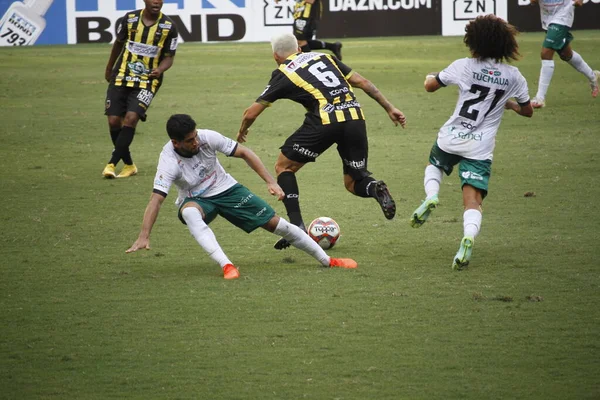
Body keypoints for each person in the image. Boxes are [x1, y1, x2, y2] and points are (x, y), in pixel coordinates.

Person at [126, 114, 358, 279]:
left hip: (227, 189)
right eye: (189, 141)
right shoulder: (168, 162)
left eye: (195, 136)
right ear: (175, 143)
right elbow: (156, 198)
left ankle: (328, 261)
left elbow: (245, 152)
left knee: (279, 226)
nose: (196, 142)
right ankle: (227, 266)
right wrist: (144, 235)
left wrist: (270, 182)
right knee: (189, 213)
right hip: (197, 198)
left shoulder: (207, 137)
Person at [237, 33, 406, 250]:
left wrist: (242, 131)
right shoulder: (325, 57)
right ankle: (375, 188)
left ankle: (296, 226)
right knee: (354, 182)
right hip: (355, 118)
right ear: (299, 48)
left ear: (275, 56)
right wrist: (390, 108)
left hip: (325, 121)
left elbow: (250, 113)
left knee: (284, 166)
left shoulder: (283, 72)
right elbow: (363, 83)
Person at [409, 15, 533, 270]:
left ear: (473, 41)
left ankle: (432, 196)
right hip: (480, 146)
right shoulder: (513, 76)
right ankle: (467, 237)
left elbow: (431, 86)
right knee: (473, 199)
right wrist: (507, 104)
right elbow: (527, 111)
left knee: (435, 166)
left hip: (451, 137)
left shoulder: (463, 66)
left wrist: (429, 77)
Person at [102, 0, 178, 179]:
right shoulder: (129, 19)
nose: (157, 2)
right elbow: (118, 44)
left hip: (147, 81)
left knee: (131, 118)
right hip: (121, 76)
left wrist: (159, 69)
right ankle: (128, 164)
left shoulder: (169, 26)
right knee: (114, 121)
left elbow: (169, 57)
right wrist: (109, 68)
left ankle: (111, 163)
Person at [529, 0, 599, 108]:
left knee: (546, 53)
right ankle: (592, 75)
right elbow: (532, 1)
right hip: (548, 17)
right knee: (566, 54)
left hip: (563, 16)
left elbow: (579, 2)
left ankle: (540, 98)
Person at [276, 0, 343, 60]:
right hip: (300, 16)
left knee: (300, 42)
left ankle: (309, 63)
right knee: (301, 42)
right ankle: (333, 46)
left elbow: (311, 1)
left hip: (308, 18)